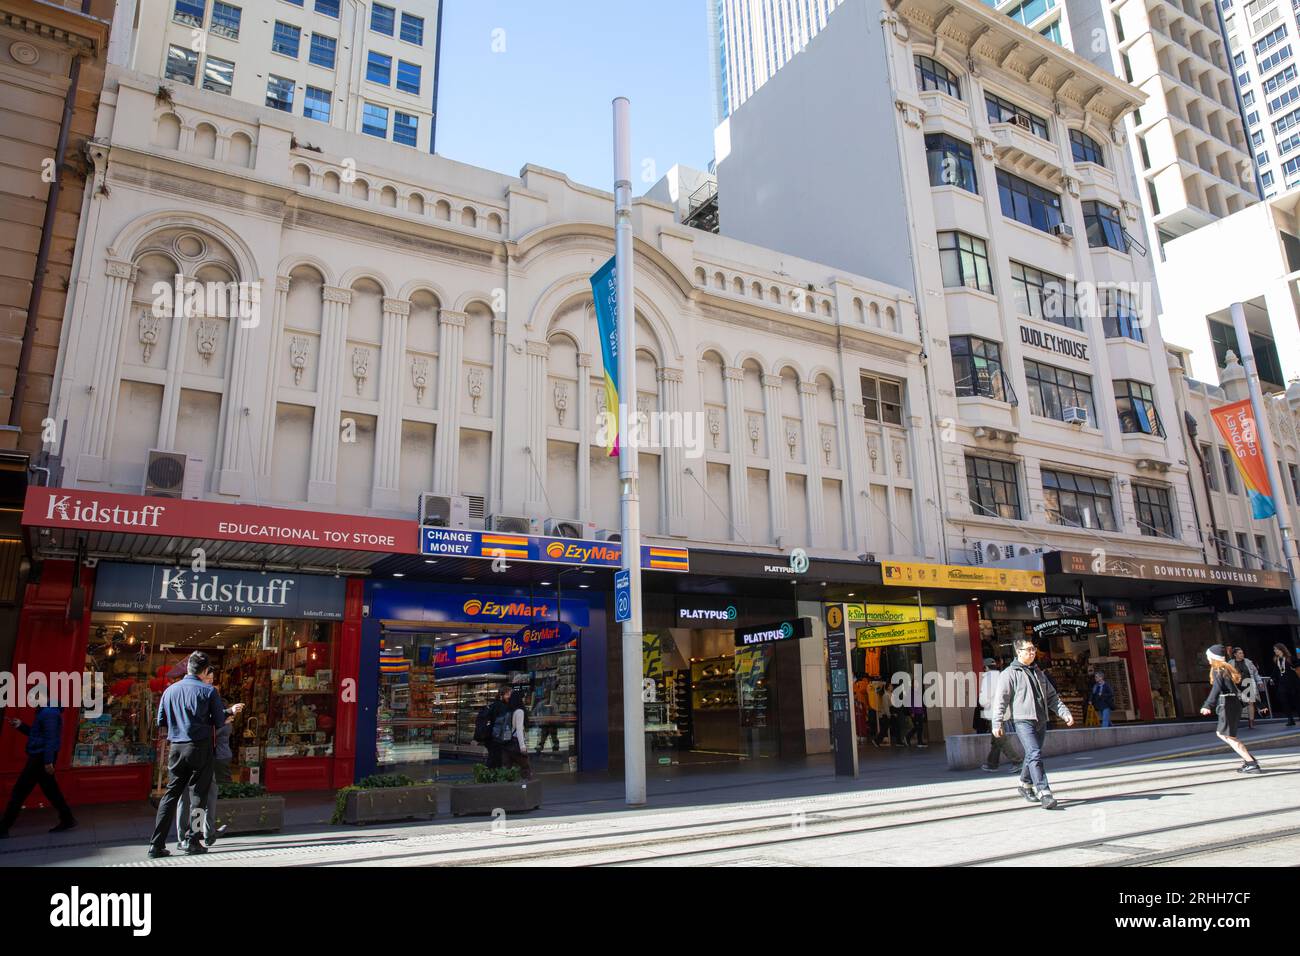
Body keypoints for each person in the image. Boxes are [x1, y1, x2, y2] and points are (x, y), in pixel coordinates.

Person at [148, 651, 226, 858]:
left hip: (176, 747)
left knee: (171, 794)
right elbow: (219, 722)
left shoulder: (170, 690)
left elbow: (161, 721)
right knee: (198, 796)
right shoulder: (209, 691)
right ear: (205, 670)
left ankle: (156, 844)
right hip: (200, 747)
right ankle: (193, 839)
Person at [991, 637, 1075, 810]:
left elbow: (1052, 697)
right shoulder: (1009, 673)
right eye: (1028, 649)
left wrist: (1064, 713)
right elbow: (1001, 700)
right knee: (1035, 753)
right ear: (1018, 652)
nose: (1032, 652)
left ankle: (1024, 783)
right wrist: (997, 723)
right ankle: (1044, 792)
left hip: (1041, 720)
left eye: (1033, 649)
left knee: (1032, 754)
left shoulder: (1038, 672)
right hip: (1023, 720)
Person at [0, 681, 76, 838]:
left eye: (34, 696)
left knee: (20, 791)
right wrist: (20, 725)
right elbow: (38, 735)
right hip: (41, 755)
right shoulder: (45, 712)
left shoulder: (48, 713)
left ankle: (4, 826)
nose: (32, 700)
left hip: (40, 757)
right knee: (51, 790)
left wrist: (48, 761)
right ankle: (67, 818)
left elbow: (50, 738)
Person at [178, 680, 243, 849]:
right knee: (199, 795)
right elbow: (206, 725)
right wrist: (223, 719)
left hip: (180, 751)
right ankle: (195, 835)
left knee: (191, 795)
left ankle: (194, 834)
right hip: (199, 753)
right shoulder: (201, 702)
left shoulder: (176, 694)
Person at [1200, 644, 1261, 774]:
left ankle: (1251, 763)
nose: (1207, 658)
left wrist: (1207, 705)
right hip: (1232, 703)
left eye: (1208, 656)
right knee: (1226, 735)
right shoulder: (1225, 668)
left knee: (1227, 736)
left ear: (1212, 657)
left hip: (1227, 704)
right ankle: (1249, 760)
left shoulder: (1218, 669)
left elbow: (1216, 688)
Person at [978, 659, 1016, 772]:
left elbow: (984, 700)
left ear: (986, 667)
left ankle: (1017, 761)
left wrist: (983, 703)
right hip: (1004, 711)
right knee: (996, 740)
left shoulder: (987, 679)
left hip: (992, 713)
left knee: (1000, 738)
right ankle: (992, 763)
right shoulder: (1001, 676)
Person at [501, 690, 532, 779]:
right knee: (525, 767)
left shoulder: (508, 710)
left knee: (507, 768)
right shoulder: (519, 712)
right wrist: (522, 747)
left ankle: (506, 787)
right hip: (515, 743)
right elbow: (519, 730)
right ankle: (526, 788)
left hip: (506, 742)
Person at [1232, 648, 1264, 730]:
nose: (1242, 654)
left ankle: (1251, 722)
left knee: (1250, 703)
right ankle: (1234, 721)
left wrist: (1259, 681)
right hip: (1237, 685)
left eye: (1242, 653)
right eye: (1239, 653)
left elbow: (1255, 672)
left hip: (1248, 682)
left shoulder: (1248, 662)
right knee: (1240, 703)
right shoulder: (1231, 663)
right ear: (1235, 654)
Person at [484, 685, 513, 769]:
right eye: (508, 694)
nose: (509, 697)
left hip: (491, 736)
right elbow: (503, 723)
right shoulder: (502, 707)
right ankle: (493, 778)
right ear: (501, 695)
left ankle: (490, 776)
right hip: (497, 738)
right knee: (496, 760)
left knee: (493, 759)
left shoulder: (493, 705)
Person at [1271, 644, 1300, 726]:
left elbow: (1298, 663)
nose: (1274, 651)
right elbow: (1276, 670)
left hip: (1293, 682)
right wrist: (1272, 678)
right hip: (1282, 683)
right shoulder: (1276, 659)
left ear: (1281, 649)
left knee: (1296, 701)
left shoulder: (1290, 658)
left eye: (1276, 649)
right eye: (1274, 649)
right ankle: (1290, 719)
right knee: (1283, 700)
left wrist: (1293, 667)